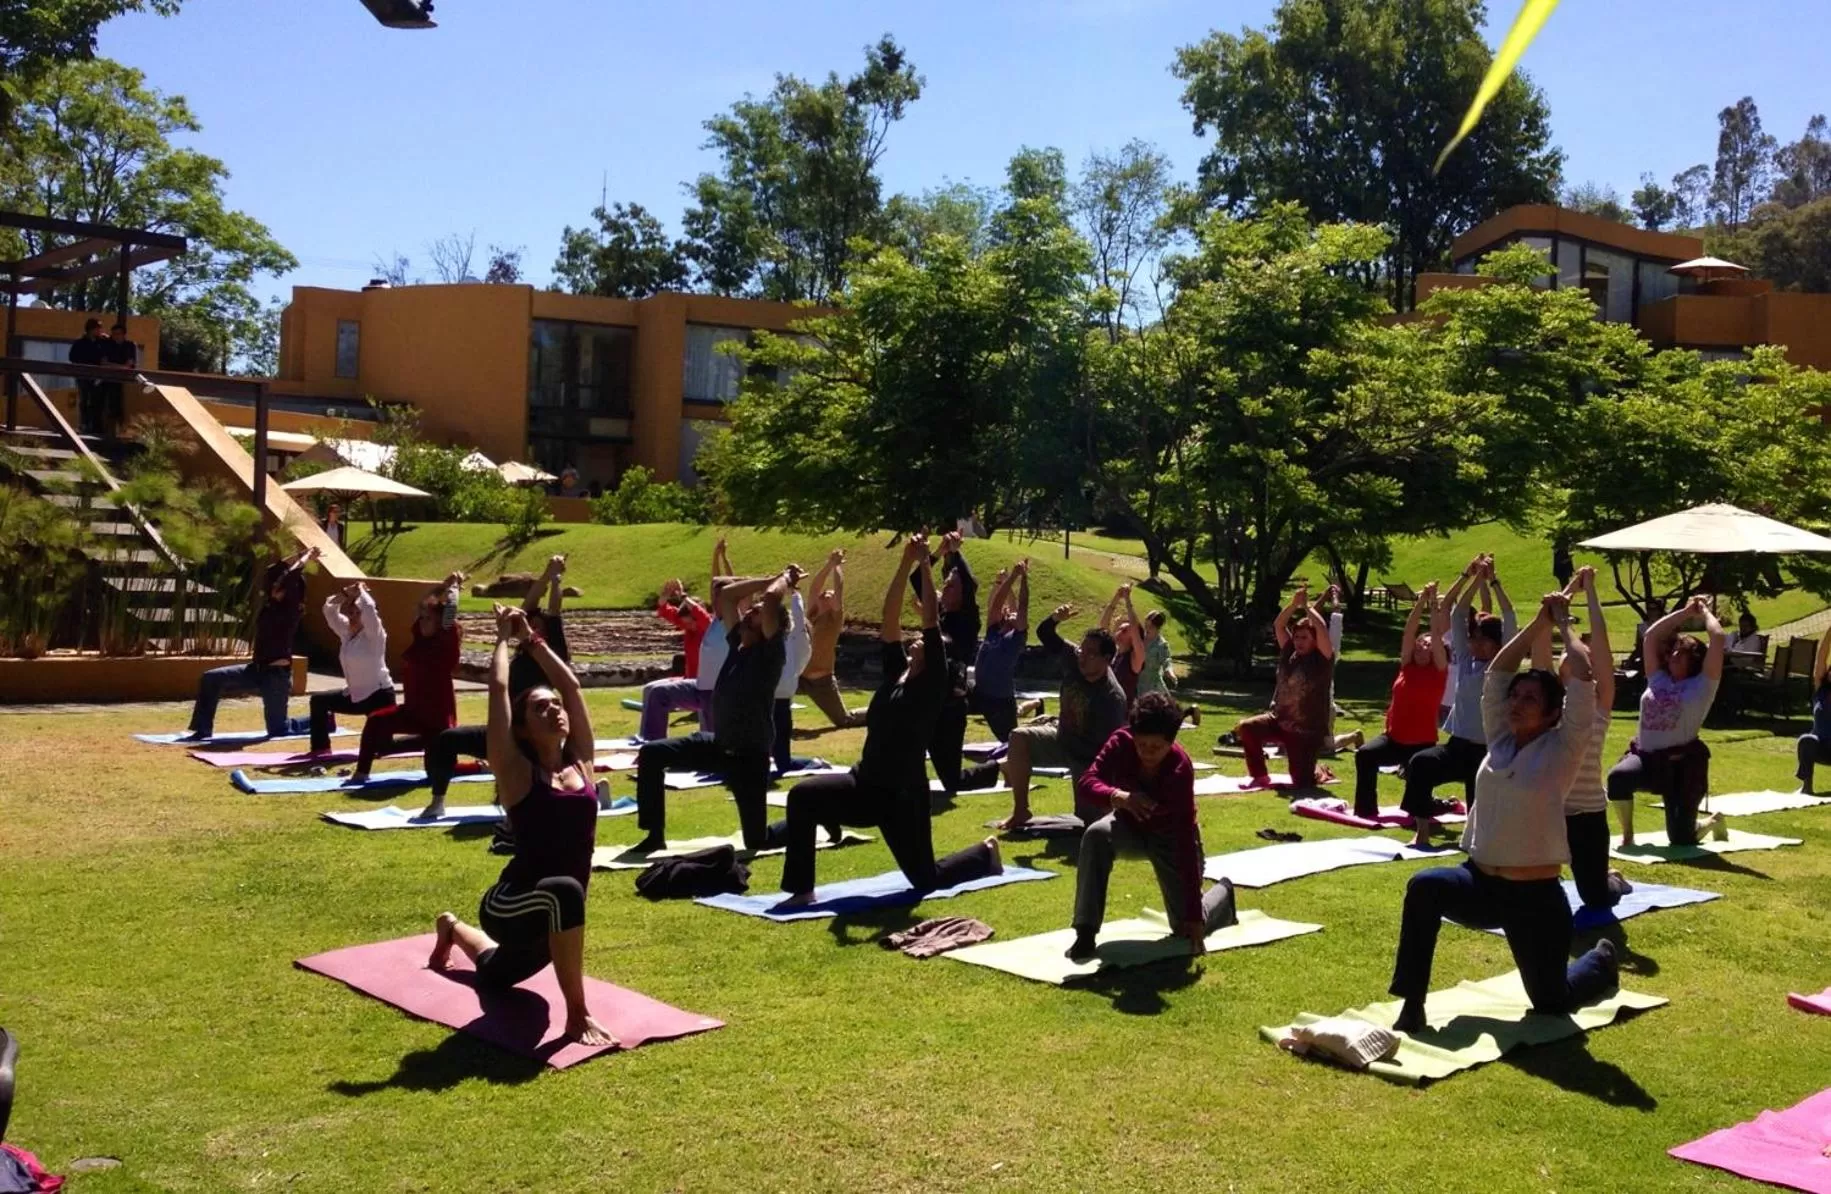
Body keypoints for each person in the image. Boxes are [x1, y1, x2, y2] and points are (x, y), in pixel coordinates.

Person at [1386, 592, 1619, 1035]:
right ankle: (1411, 1004)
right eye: (1517, 697)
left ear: (1554, 714)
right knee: (1423, 887)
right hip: (1479, 882)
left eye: (1530, 699)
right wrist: (1537, 622)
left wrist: (1564, 623)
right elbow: (1498, 674)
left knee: (1552, 1001)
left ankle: (1601, 961)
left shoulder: (1565, 748)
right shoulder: (1500, 741)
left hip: (1535, 898)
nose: (1517, 703)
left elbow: (1585, 676)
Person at [776, 534, 1001, 908]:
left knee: (925, 880)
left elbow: (929, 618)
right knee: (802, 796)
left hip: (902, 798)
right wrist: (904, 564)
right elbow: (891, 616)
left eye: (925, 642)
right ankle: (801, 889)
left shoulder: (931, 687)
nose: (915, 639)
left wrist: (927, 566)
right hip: (864, 783)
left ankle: (984, 854)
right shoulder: (897, 673)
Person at [427, 604, 616, 1047]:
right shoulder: (517, 773)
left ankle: (450, 928)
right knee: (565, 892)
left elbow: (569, 683)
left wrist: (532, 639)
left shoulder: (582, 762)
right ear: (524, 730)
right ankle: (577, 1015)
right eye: (540, 708)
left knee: (495, 974)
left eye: (555, 706)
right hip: (510, 903)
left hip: (550, 914)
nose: (554, 710)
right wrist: (499, 638)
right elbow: (498, 689)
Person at [631, 562, 803, 854]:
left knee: (756, 840)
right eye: (753, 608)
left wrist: (784, 579)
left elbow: (774, 600)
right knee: (651, 754)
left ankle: (811, 820)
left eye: (758, 612)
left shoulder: (769, 654)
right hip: (717, 744)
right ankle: (654, 834)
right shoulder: (738, 643)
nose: (750, 612)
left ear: (769, 626)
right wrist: (766, 579)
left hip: (749, 757)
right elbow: (726, 597)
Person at [1067, 692, 1238, 960]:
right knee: (1096, 835)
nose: (1147, 752)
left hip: (1171, 838)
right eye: (1141, 744)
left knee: (1185, 926)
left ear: (1171, 742)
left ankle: (1223, 895)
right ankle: (1085, 932)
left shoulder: (1180, 769)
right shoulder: (1121, 742)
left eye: (1155, 747)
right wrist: (1117, 796)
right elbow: (1088, 781)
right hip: (1128, 827)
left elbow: (1183, 839)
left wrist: (1194, 916)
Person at [423, 555, 578, 810]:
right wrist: (546, 573)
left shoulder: (554, 653)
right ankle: (438, 801)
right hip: (505, 729)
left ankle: (592, 792)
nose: (530, 628)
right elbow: (529, 604)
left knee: (514, 793)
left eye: (537, 626)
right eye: (529, 624)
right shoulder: (521, 652)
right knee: (447, 739)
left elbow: (554, 609)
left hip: (533, 734)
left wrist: (555, 580)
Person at [1400, 555, 1516, 846]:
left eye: (1482, 639)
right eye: (1473, 638)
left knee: (1479, 808)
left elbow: (1510, 616)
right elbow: (1456, 614)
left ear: (1497, 643)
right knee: (1419, 764)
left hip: (1489, 751)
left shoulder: (1503, 666)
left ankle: (1479, 840)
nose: (1475, 643)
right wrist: (1473, 577)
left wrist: (1495, 582)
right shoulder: (1466, 661)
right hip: (1457, 746)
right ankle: (1422, 831)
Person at [1608, 595, 1724, 847]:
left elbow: (1717, 638)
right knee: (1618, 777)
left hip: (1681, 768)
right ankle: (1628, 835)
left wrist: (1703, 612)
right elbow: (1651, 636)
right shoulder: (1657, 678)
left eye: (1679, 654)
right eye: (1672, 651)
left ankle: (1711, 821)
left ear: (1694, 660)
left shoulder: (1702, 686)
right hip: (1646, 760)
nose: (1672, 656)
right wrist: (1685, 612)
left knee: (1682, 839)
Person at [996, 605, 1127, 828]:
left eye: (1090, 654)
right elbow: (1045, 634)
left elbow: (1110, 750)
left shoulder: (1112, 698)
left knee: (1091, 820)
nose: (1082, 658)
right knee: (1018, 737)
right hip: (1061, 739)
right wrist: (1055, 618)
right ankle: (1021, 811)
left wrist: (1097, 785)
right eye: (1081, 651)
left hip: (1089, 758)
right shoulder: (1074, 659)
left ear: (1107, 659)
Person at [1550, 567, 1631, 916]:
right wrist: (1566, 594)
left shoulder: (1600, 705)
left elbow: (1602, 643)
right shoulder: (1548, 707)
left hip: (1590, 815)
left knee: (1596, 896)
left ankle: (1612, 879)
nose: (1579, 655)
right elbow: (1546, 621)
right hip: (1552, 813)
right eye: (1571, 654)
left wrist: (1592, 591)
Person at [180, 545, 319, 741]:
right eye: (275, 585)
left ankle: (320, 720)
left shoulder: (292, 610)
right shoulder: (270, 606)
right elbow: (274, 571)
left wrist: (306, 560)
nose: (275, 587)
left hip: (276, 676)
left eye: (279, 586)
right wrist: (299, 555)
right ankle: (202, 729)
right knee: (210, 678)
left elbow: (291, 577)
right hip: (255, 670)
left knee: (278, 729)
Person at [352, 573, 463, 797]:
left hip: (437, 721)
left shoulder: (445, 644)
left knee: (437, 773)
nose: (422, 622)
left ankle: (478, 766)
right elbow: (421, 605)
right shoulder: (420, 640)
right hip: (412, 712)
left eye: (428, 619)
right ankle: (361, 773)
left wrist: (454, 588)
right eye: (422, 619)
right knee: (375, 722)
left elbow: (450, 611)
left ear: (441, 624)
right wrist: (441, 584)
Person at [1351, 584, 1448, 820]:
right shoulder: (1407, 666)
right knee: (1364, 754)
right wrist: (1421, 600)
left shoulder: (1439, 671)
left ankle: (1420, 809)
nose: (1420, 646)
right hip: (1394, 738)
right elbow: (1408, 632)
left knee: (1416, 789)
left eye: (1425, 645)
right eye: (1419, 644)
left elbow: (1436, 635)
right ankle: (1366, 810)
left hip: (1421, 742)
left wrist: (1433, 604)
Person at [1235, 586, 1335, 791]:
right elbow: (1279, 625)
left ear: (1315, 641)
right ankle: (1259, 775)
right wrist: (1293, 605)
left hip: (1306, 731)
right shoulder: (1289, 652)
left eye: (1304, 637)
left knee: (1302, 783)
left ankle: (1320, 771)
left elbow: (1322, 628)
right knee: (1247, 727)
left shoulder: (1322, 659)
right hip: (1279, 720)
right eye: (1297, 637)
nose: (1298, 641)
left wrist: (1307, 607)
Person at [912, 530, 979, 795]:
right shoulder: (937, 612)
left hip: (951, 706)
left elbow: (970, 584)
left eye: (951, 586)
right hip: (925, 699)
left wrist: (956, 552)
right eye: (945, 585)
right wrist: (940, 551)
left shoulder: (968, 621)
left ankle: (1002, 767)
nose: (944, 590)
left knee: (952, 780)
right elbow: (919, 577)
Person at [308, 582, 398, 756]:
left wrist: (361, 591)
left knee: (384, 748)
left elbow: (370, 608)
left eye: (358, 613)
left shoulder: (375, 635)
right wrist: (345, 593)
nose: (354, 616)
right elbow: (329, 609)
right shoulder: (346, 631)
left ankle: (422, 741)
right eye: (352, 612)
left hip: (378, 697)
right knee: (318, 701)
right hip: (355, 696)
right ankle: (321, 748)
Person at [636, 577, 715, 740]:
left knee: (706, 705)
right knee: (650, 689)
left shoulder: (709, 627)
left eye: (690, 623)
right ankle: (649, 739)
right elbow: (665, 610)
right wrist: (665, 596)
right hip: (688, 681)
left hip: (705, 685)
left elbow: (702, 615)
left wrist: (684, 597)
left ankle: (708, 740)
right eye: (685, 624)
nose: (688, 627)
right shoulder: (690, 627)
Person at [797, 549, 867, 729]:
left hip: (821, 680)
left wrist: (837, 567)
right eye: (823, 594)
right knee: (771, 692)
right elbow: (814, 587)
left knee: (844, 720)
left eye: (829, 595)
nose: (825, 594)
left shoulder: (834, 619)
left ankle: (879, 710)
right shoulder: (811, 614)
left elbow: (839, 588)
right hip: (798, 676)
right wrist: (829, 564)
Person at [970, 561, 1031, 742]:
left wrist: (1024, 578)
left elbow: (1023, 606)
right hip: (978, 692)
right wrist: (1011, 577)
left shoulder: (1017, 637)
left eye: (1014, 614)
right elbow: (996, 604)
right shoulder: (993, 630)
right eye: (1009, 612)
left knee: (1009, 742)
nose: (1011, 612)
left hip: (1000, 701)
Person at [771, 584, 814, 773]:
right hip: (773, 694)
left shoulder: (794, 639)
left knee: (778, 736)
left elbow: (797, 617)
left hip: (776, 695)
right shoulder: (783, 639)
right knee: (777, 735)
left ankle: (783, 760)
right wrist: (795, 594)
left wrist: (795, 594)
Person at [1795, 631, 1831, 795]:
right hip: (1822, 748)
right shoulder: (1821, 691)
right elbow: (1821, 659)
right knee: (1806, 739)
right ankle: (1806, 787)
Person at [67, 318, 109, 436]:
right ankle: (84, 424)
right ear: (91, 329)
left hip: (98, 377)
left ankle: (96, 426)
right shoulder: (80, 343)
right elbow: (72, 358)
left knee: (97, 401)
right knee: (84, 400)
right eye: (98, 328)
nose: (100, 330)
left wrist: (107, 338)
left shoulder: (101, 342)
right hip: (83, 376)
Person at [102, 322, 135, 436]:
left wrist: (115, 365)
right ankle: (109, 431)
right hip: (110, 379)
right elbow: (104, 363)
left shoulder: (130, 345)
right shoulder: (108, 345)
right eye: (114, 334)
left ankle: (122, 431)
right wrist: (121, 367)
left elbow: (130, 364)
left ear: (123, 334)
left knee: (123, 406)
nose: (116, 336)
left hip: (125, 380)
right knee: (110, 405)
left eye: (118, 334)